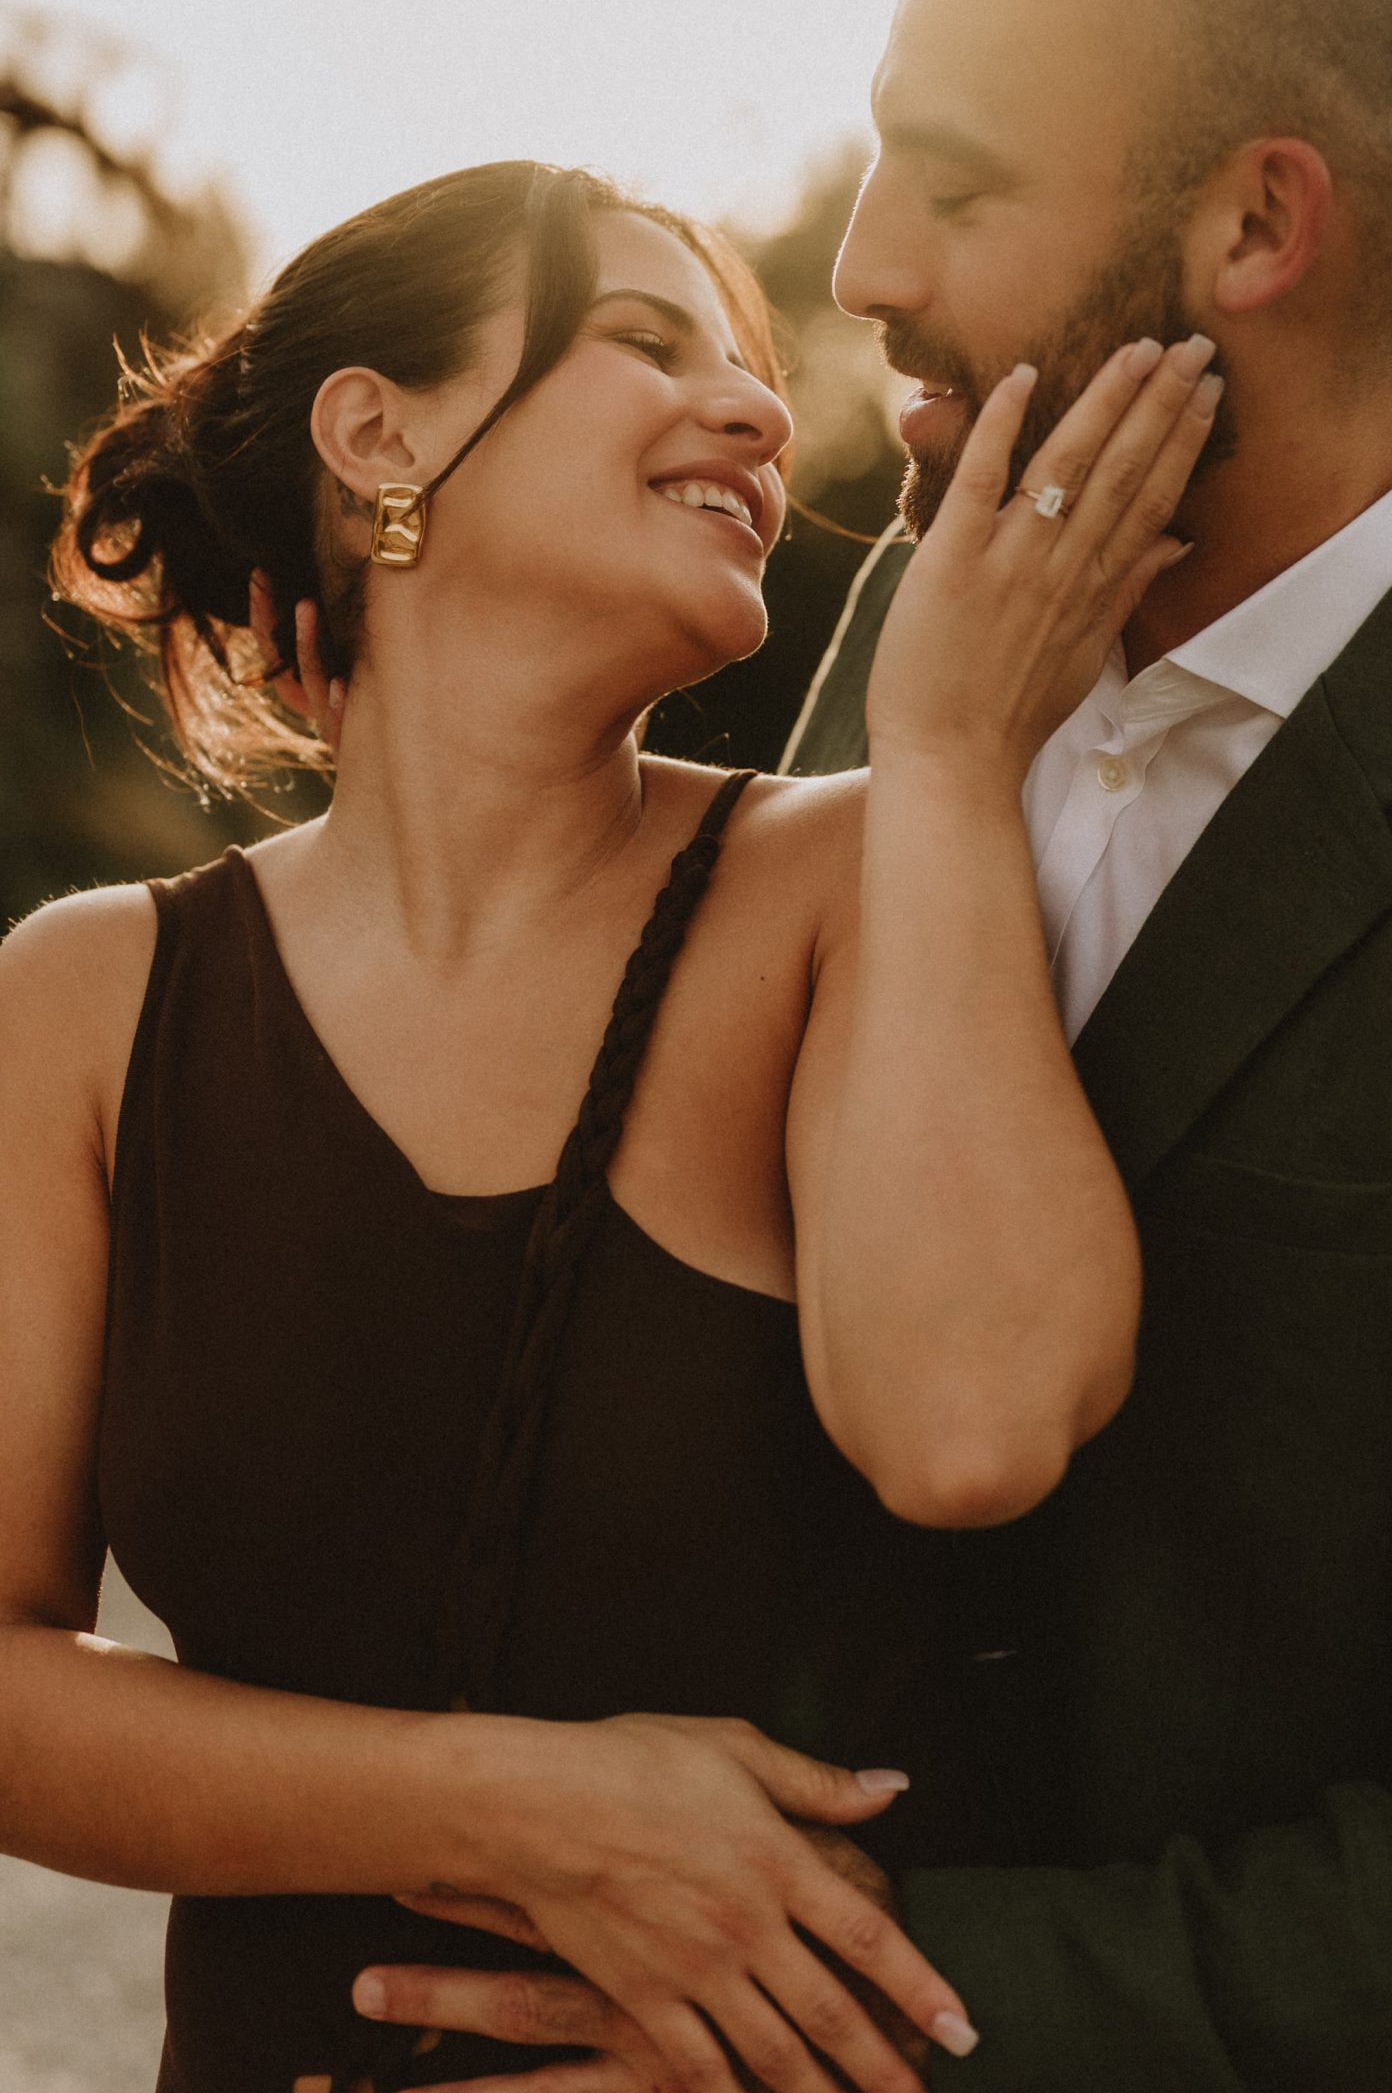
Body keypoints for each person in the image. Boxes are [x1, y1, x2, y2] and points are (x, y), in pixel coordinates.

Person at [375, 0, 1392, 2090]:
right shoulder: (954, 567)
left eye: (957, 184)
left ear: (1257, 222)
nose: (867, 261)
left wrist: (816, 2015)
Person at [0, 157, 1221, 2093]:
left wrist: (956, 760)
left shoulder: (854, 874)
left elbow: (974, 1422)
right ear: (375, 430)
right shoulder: (90, 1000)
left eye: (748, 367)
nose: (752, 408)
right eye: (643, 342)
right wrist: (520, 1809)